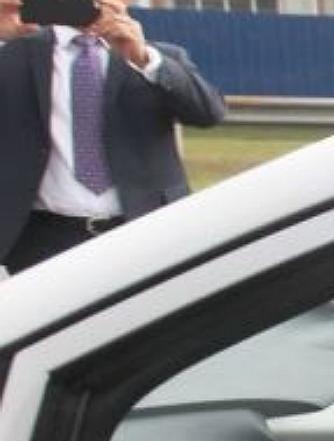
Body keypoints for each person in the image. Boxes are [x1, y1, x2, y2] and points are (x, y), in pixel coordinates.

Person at [0, 0, 225, 274]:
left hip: (142, 234)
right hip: (44, 240)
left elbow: (208, 113)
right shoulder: (14, 56)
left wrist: (145, 60)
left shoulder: (158, 57)